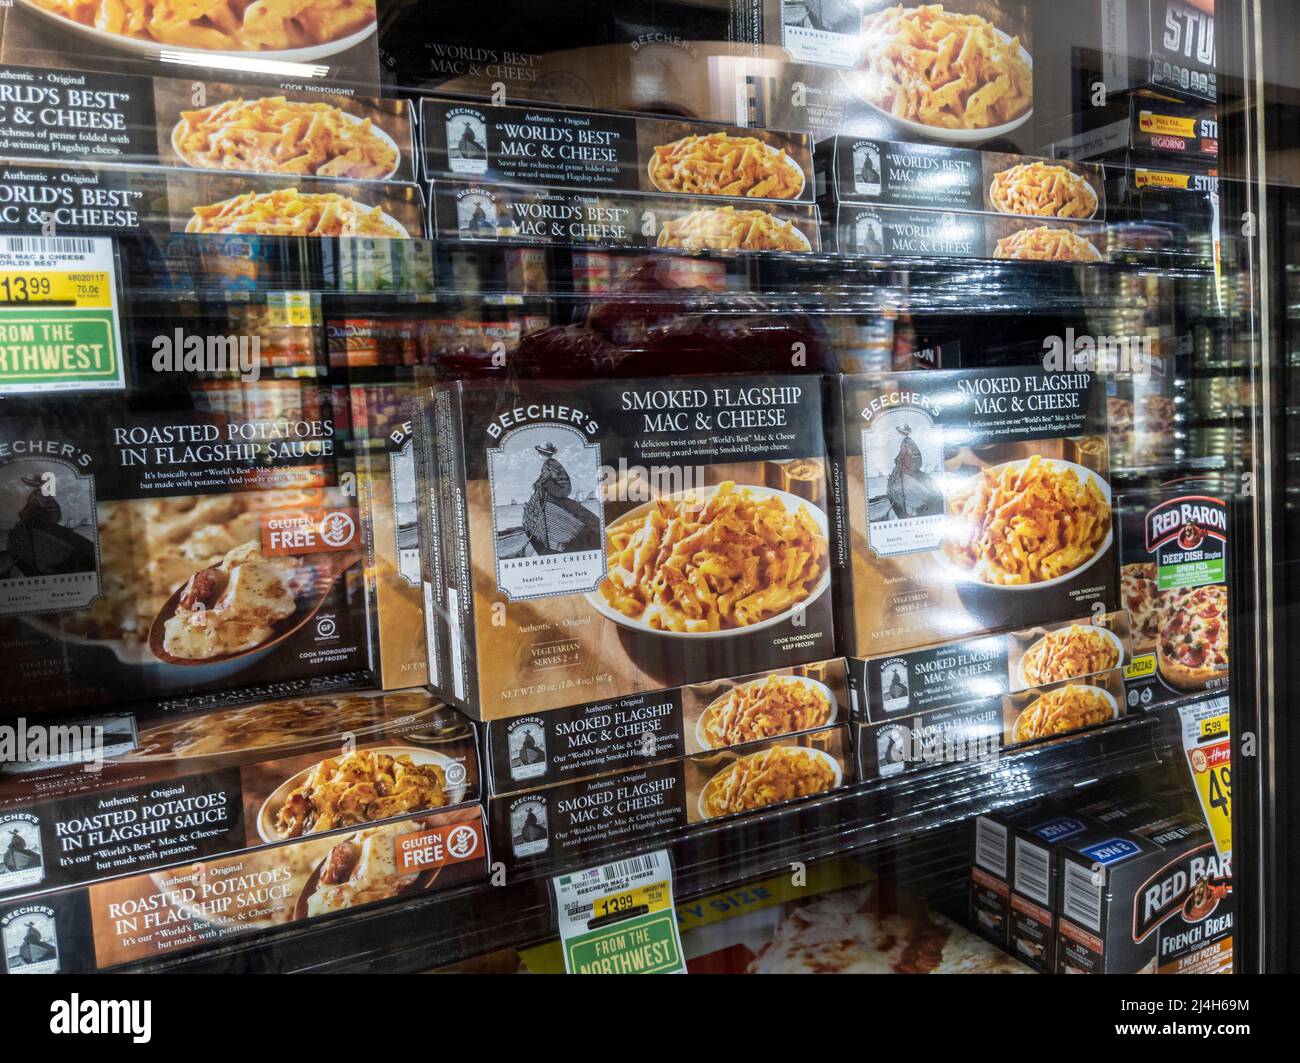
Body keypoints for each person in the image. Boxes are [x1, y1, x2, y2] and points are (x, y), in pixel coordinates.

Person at [4, 473, 95, 577]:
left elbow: (54, 516)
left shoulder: (40, 497)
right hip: (32, 540)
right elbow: (53, 516)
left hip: (40, 539)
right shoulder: (34, 501)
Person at [521, 442, 601, 554]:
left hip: (559, 490)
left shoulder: (548, 464)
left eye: (540, 453)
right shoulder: (553, 463)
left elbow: (544, 479)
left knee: (542, 487)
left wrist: (535, 488)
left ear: (544, 454)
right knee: (542, 486)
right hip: (563, 489)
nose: (539, 455)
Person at [886, 424, 944, 519]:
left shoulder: (905, 442)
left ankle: (910, 508)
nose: (899, 433)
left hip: (909, 465)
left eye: (900, 432)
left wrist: (897, 459)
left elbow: (904, 453)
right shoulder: (909, 441)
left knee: (904, 481)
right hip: (911, 464)